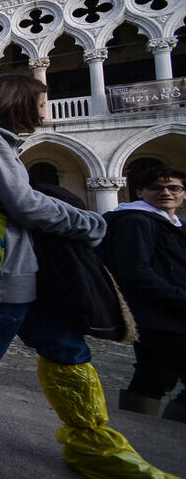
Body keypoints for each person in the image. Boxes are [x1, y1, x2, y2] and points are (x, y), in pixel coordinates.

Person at [0, 74, 185, 479]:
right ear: (19, 103)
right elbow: (24, 205)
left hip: (25, 271)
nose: (48, 107)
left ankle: (92, 442)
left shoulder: (0, 145)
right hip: (4, 273)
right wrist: (90, 222)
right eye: (43, 100)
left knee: (65, 348)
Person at [101, 165, 186, 423]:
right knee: (153, 375)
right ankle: (164, 435)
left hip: (163, 315)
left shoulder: (170, 224)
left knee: (152, 377)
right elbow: (135, 272)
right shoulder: (136, 221)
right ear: (139, 192)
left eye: (173, 188)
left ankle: (140, 433)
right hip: (159, 316)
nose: (166, 193)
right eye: (156, 187)